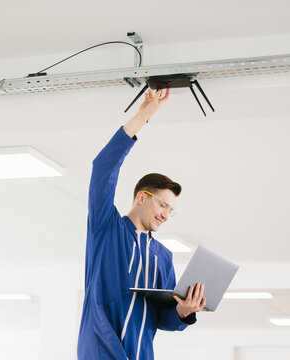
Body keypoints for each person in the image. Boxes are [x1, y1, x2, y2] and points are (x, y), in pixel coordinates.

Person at [77, 89, 205, 359]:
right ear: (141, 197)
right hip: (101, 350)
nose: (165, 215)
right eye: (162, 205)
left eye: (171, 210)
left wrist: (184, 310)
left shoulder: (163, 257)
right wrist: (144, 114)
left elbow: (162, 318)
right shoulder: (106, 229)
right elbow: (103, 167)